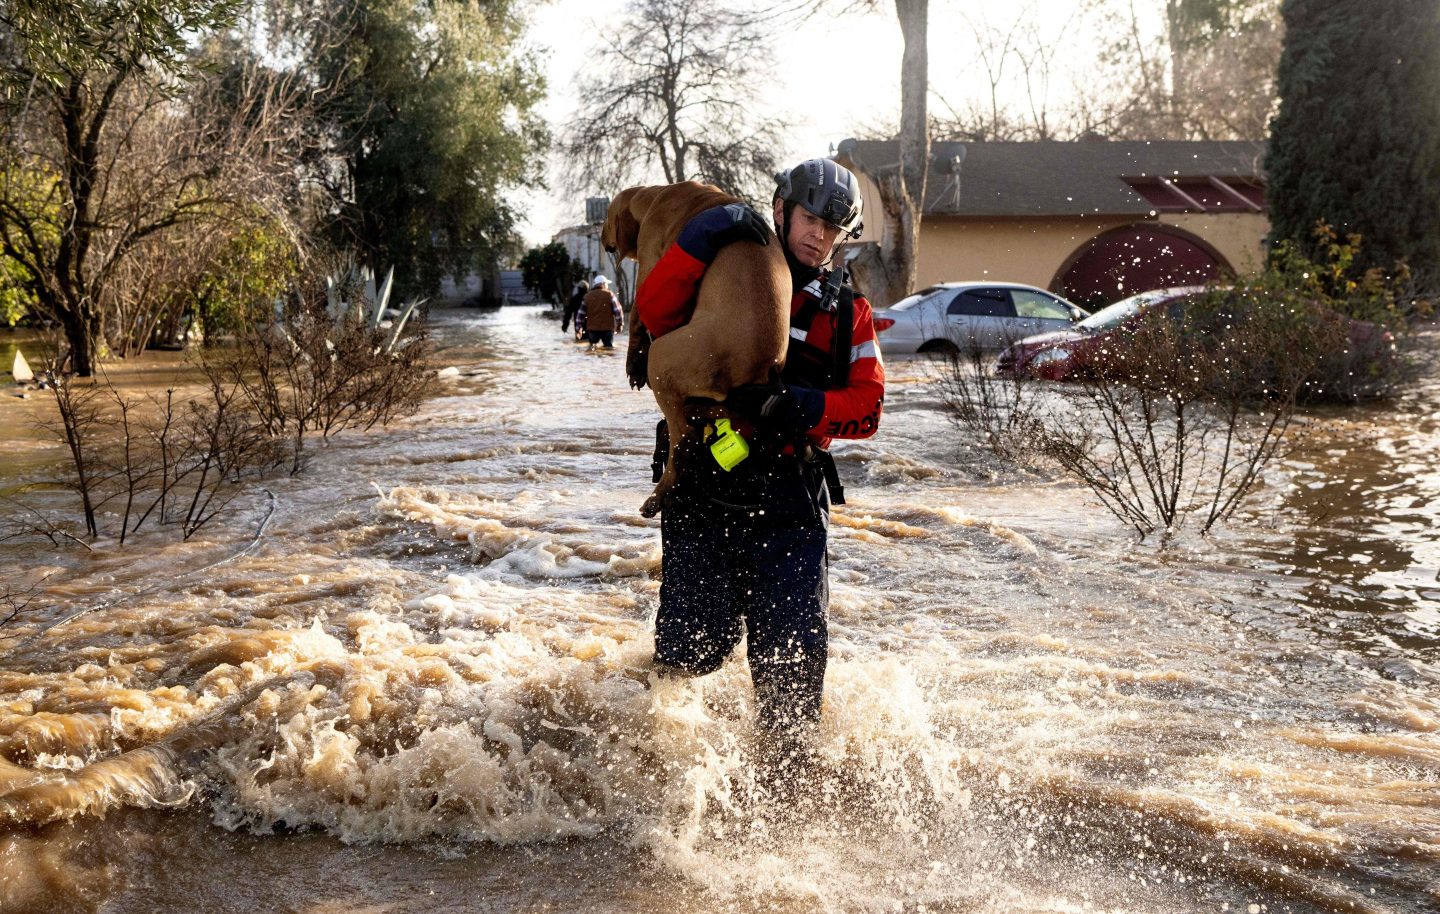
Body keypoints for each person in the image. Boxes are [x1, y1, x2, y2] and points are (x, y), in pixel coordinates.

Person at [633, 158, 885, 778]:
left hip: (789, 503)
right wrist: (700, 239)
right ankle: (660, 773)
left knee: (792, 675)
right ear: (780, 210)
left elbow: (869, 407)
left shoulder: (847, 311)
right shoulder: (719, 270)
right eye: (809, 219)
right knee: (689, 652)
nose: (819, 236)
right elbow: (656, 312)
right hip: (703, 486)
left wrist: (795, 406)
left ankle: (784, 800)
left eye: (833, 228)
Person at [581, 274, 624, 349]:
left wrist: (578, 328)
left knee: (592, 349)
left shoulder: (587, 296)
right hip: (607, 329)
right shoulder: (609, 294)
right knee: (609, 349)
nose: (607, 286)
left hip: (592, 329)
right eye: (606, 284)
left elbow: (580, 314)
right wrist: (620, 324)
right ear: (603, 284)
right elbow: (618, 311)